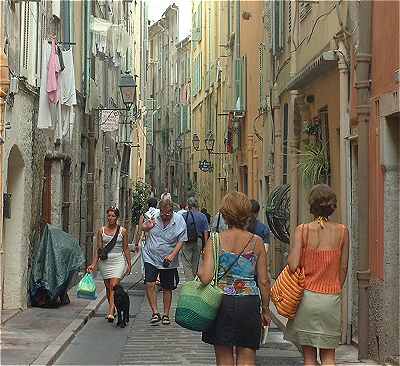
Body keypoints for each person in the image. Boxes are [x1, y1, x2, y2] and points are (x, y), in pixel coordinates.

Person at [198, 191, 271, 366]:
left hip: (220, 303)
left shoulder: (215, 240)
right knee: (247, 356)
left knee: (224, 358)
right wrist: (266, 309)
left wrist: (202, 265)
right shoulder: (257, 241)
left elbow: (206, 277)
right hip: (249, 303)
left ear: (225, 214)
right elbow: (264, 281)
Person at [284, 184, 349, 366]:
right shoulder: (343, 232)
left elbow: (293, 264)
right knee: (329, 356)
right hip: (331, 299)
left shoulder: (302, 230)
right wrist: (334, 288)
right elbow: (343, 268)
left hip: (306, 298)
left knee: (309, 358)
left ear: (311, 206)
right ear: (332, 206)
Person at [141, 198, 187, 325]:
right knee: (150, 283)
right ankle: (155, 312)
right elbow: (143, 227)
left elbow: (181, 240)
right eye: (163, 213)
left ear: (172, 211)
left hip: (168, 259)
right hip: (150, 256)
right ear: (159, 210)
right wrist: (146, 227)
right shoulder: (153, 217)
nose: (165, 215)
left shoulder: (178, 220)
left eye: (168, 213)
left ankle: (166, 314)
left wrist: (172, 255)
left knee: (167, 287)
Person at [87, 207, 131, 322]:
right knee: (108, 288)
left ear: (117, 217)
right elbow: (99, 250)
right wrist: (93, 264)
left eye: (113, 216)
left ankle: (110, 312)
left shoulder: (123, 231)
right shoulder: (101, 230)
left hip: (118, 261)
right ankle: (114, 308)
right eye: (109, 216)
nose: (110, 218)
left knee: (113, 287)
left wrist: (129, 264)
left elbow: (125, 248)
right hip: (105, 262)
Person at [181, 197, 209, 281]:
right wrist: (206, 245)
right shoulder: (202, 216)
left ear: (188, 205)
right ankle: (193, 279)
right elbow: (205, 232)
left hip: (186, 240)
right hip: (198, 241)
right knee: (195, 262)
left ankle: (189, 280)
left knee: (186, 261)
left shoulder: (184, 216)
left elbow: (180, 230)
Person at [135, 197, 159, 274]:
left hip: (146, 240)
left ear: (148, 205)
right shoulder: (159, 214)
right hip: (157, 240)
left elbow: (139, 230)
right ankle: (156, 276)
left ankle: (146, 275)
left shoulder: (144, 215)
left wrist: (137, 242)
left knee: (145, 258)